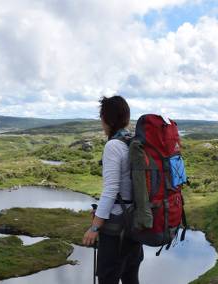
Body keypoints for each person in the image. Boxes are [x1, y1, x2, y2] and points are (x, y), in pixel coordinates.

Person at [82, 95, 143, 284]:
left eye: (101, 117)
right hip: (135, 224)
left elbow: (111, 191)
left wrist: (94, 227)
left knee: (108, 279)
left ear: (107, 119)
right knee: (131, 278)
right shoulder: (132, 142)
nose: (101, 122)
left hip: (116, 230)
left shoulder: (113, 146)